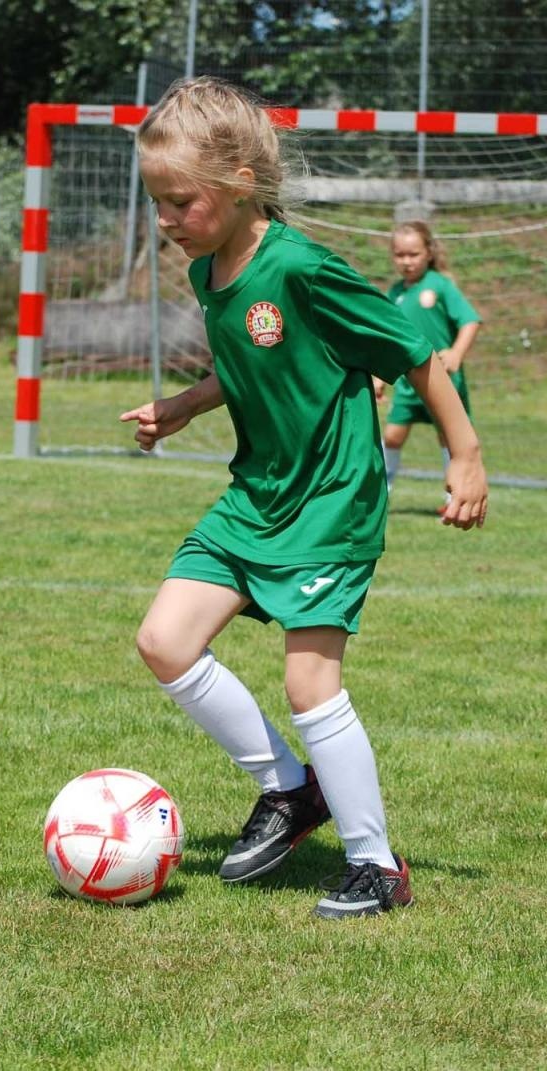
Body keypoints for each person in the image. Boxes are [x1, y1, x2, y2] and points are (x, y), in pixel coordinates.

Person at [118, 77, 488, 920]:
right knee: (164, 640)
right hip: (257, 495)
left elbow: (418, 351)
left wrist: (464, 454)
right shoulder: (212, 268)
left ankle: (376, 865)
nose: (166, 220)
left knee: (310, 682)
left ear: (241, 181)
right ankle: (290, 790)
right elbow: (251, 367)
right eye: (158, 203)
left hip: (327, 502)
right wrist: (184, 405)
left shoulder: (304, 269)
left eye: (180, 202)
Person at [375, 220, 482, 497]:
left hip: (443, 380)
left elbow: (470, 321)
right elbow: (387, 338)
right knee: (392, 436)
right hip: (409, 384)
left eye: (413, 254)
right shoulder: (396, 293)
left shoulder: (440, 286)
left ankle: (454, 497)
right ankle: (381, 493)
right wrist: (377, 377)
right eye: (400, 255)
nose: (407, 261)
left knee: (449, 437)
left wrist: (456, 352)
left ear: (429, 253)